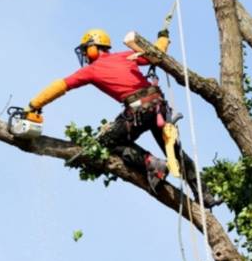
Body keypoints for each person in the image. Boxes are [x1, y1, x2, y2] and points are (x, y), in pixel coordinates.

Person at [26, 28, 220, 208]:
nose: (85, 55)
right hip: (158, 106)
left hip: (139, 110)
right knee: (175, 152)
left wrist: (34, 104)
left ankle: (151, 163)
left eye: (86, 50)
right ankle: (204, 194)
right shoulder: (126, 55)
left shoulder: (91, 70)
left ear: (94, 48)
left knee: (106, 143)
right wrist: (164, 37)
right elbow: (157, 52)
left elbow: (62, 85)